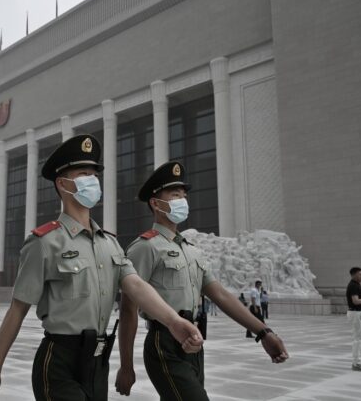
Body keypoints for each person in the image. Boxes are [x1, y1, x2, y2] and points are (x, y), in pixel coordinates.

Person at [0, 135, 203, 401]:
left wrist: (173, 321)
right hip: (59, 364)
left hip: (97, 366)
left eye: (94, 175)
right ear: (63, 183)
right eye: (84, 174)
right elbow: (17, 309)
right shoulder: (45, 242)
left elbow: (137, 286)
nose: (93, 181)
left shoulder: (110, 244)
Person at [116, 161, 288, 400]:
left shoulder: (192, 251)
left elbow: (221, 295)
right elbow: (128, 310)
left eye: (183, 196)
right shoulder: (145, 248)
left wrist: (263, 332)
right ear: (156, 203)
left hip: (194, 342)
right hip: (164, 343)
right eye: (175, 195)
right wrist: (126, 366)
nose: (182, 201)